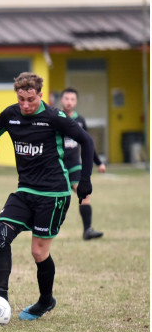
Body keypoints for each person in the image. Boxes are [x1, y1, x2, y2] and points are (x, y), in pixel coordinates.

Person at [0, 73, 94, 321]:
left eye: (30, 100)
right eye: (21, 99)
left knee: (38, 252)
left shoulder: (54, 117)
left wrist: (85, 179)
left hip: (53, 194)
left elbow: (86, 141)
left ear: (40, 95)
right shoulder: (10, 115)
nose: (25, 105)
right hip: (25, 191)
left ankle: (46, 300)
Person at [60, 87, 106, 240]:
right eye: (66, 98)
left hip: (74, 165)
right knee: (56, 199)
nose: (69, 102)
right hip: (57, 165)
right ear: (62, 100)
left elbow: (88, 144)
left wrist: (99, 163)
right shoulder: (55, 117)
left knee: (84, 194)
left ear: (76, 101)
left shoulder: (80, 121)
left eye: (72, 99)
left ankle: (88, 230)